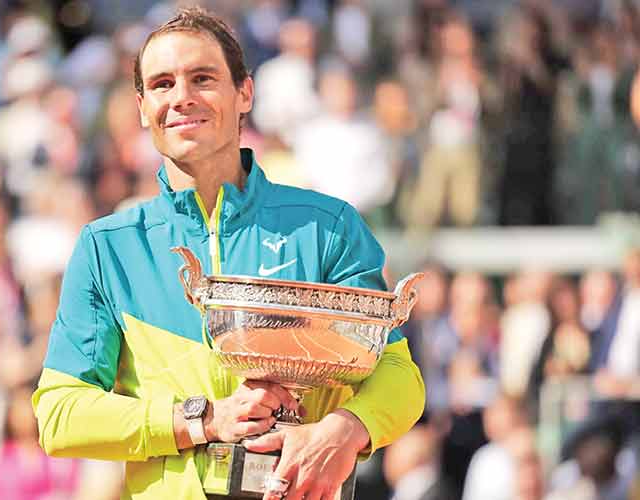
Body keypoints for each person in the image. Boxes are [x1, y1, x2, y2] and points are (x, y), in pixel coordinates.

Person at [32, 7, 425, 500]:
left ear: (245, 93)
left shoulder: (326, 227)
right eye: (162, 84)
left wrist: (344, 431)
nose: (181, 97)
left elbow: (398, 373)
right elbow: (60, 414)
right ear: (142, 108)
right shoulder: (108, 246)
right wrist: (200, 420)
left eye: (202, 78)